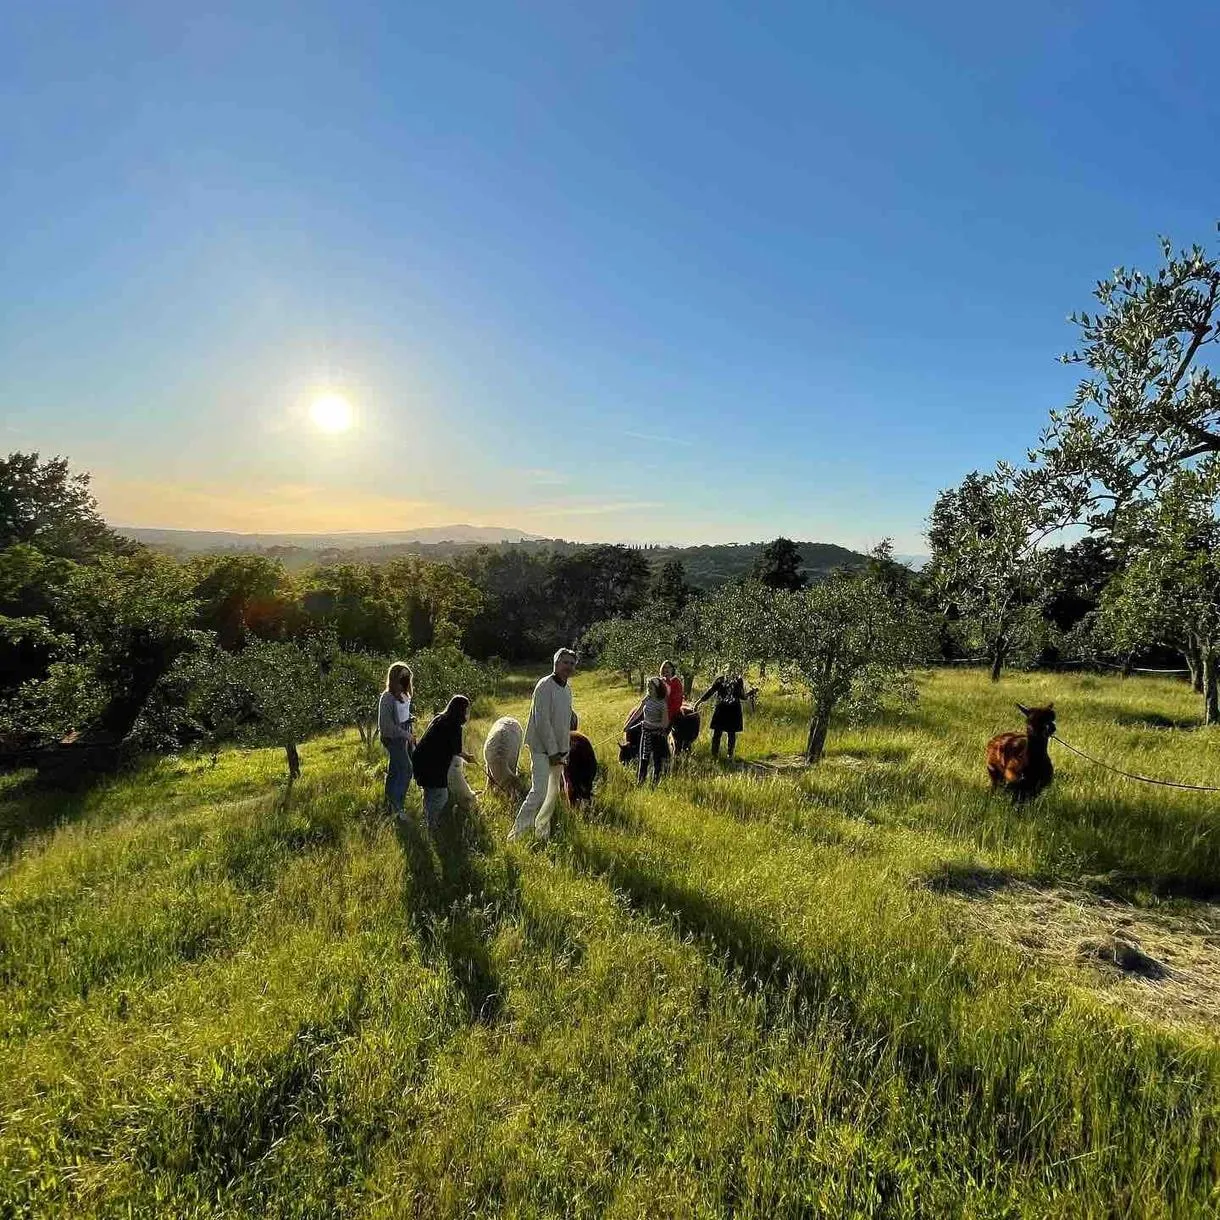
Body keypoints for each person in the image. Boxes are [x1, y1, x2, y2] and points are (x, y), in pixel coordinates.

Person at [508, 648, 577, 844]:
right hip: (541, 748)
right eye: (565, 662)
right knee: (538, 792)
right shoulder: (545, 685)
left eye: (572, 664)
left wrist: (564, 751)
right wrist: (552, 751)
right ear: (556, 663)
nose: (568, 667)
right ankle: (516, 836)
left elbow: (564, 722)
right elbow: (542, 721)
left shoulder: (567, 689)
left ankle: (542, 833)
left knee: (552, 794)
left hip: (559, 752)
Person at [411, 695, 474, 832]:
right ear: (462, 710)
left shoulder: (439, 718)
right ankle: (432, 825)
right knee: (441, 796)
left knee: (429, 793)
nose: (467, 713)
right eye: (467, 710)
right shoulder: (455, 726)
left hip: (420, 760)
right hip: (433, 765)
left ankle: (427, 820)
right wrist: (468, 757)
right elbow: (456, 750)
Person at [377, 662, 414, 819]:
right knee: (406, 770)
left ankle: (389, 804)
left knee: (395, 771)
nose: (405, 679)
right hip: (393, 739)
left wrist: (409, 720)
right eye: (402, 676)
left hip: (403, 736)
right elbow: (386, 726)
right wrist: (405, 735)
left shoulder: (403, 694)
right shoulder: (387, 698)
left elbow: (401, 715)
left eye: (407, 676)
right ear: (394, 678)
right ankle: (398, 809)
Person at [694, 672, 755, 760]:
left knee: (724, 733)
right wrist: (698, 703)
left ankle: (722, 756)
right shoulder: (729, 679)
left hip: (727, 710)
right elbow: (742, 696)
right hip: (727, 710)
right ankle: (722, 756)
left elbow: (711, 691)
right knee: (725, 733)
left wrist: (750, 693)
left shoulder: (729, 679)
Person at [630, 675, 671, 785]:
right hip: (645, 734)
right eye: (648, 687)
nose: (648, 689)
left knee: (657, 761)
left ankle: (655, 784)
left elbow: (665, 724)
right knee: (643, 760)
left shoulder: (662, 704)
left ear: (657, 689)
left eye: (650, 687)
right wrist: (628, 725)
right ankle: (640, 783)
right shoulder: (647, 698)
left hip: (657, 736)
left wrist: (649, 724)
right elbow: (638, 712)